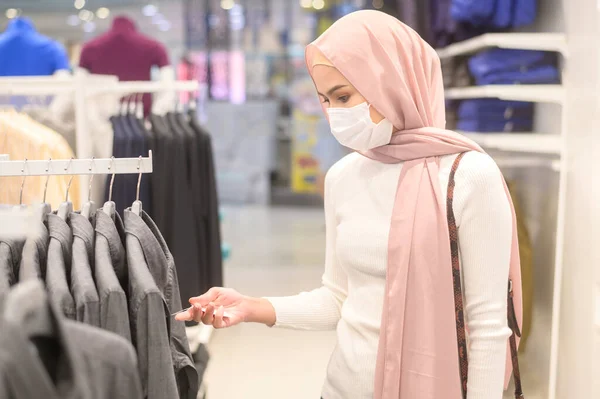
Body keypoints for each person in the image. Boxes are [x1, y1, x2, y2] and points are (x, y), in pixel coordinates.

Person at [176, 10, 522, 399]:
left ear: (391, 81)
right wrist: (252, 307)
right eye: (325, 99)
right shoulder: (344, 177)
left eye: (343, 96)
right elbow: (339, 298)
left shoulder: (470, 176)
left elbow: (489, 327)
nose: (333, 113)